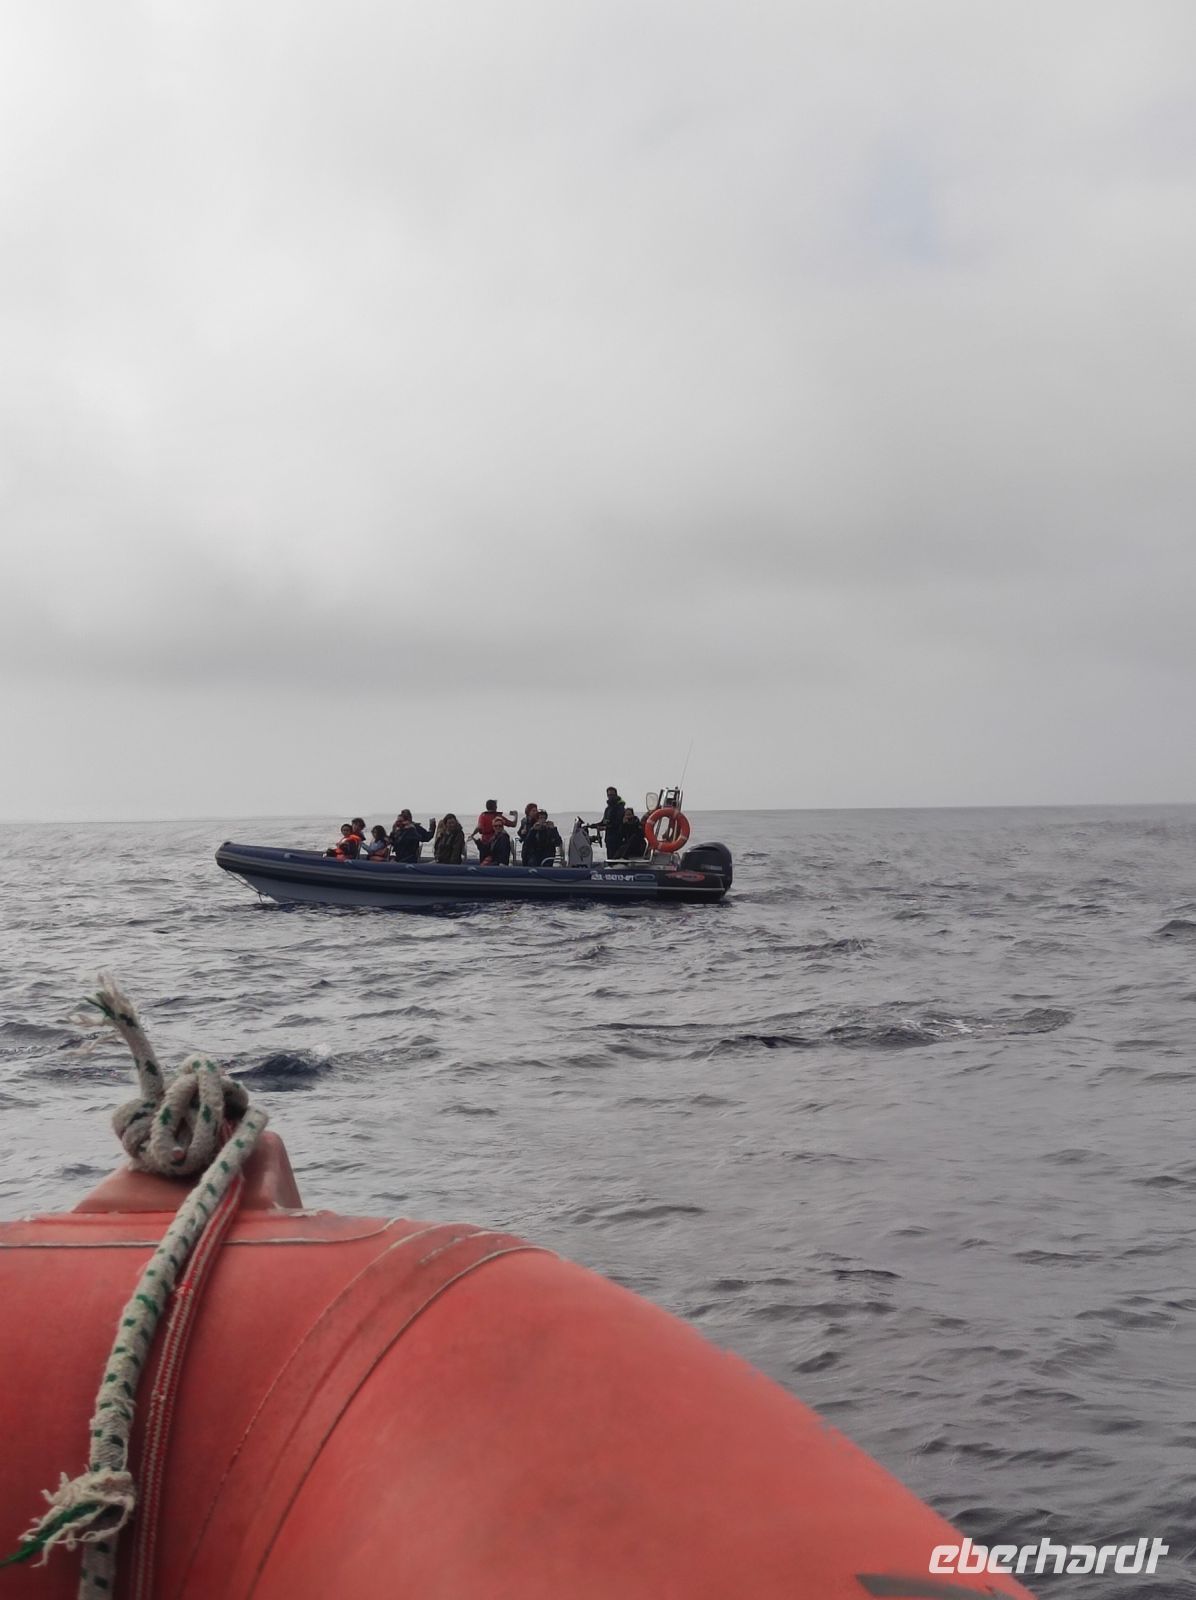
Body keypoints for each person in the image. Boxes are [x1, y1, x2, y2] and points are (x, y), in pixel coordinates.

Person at [597, 786, 626, 858]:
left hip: (617, 838)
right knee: (609, 855)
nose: (610, 797)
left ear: (616, 795)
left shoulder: (620, 808)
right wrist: (592, 826)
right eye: (609, 795)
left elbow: (618, 823)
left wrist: (605, 827)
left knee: (615, 857)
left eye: (612, 795)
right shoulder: (608, 809)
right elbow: (604, 821)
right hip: (609, 838)